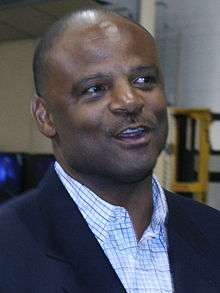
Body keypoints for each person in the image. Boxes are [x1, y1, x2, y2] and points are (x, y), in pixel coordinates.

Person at [0, 7, 219, 293]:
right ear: (46, 117)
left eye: (144, 80)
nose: (130, 101)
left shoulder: (213, 232)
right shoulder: (8, 247)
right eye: (95, 88)